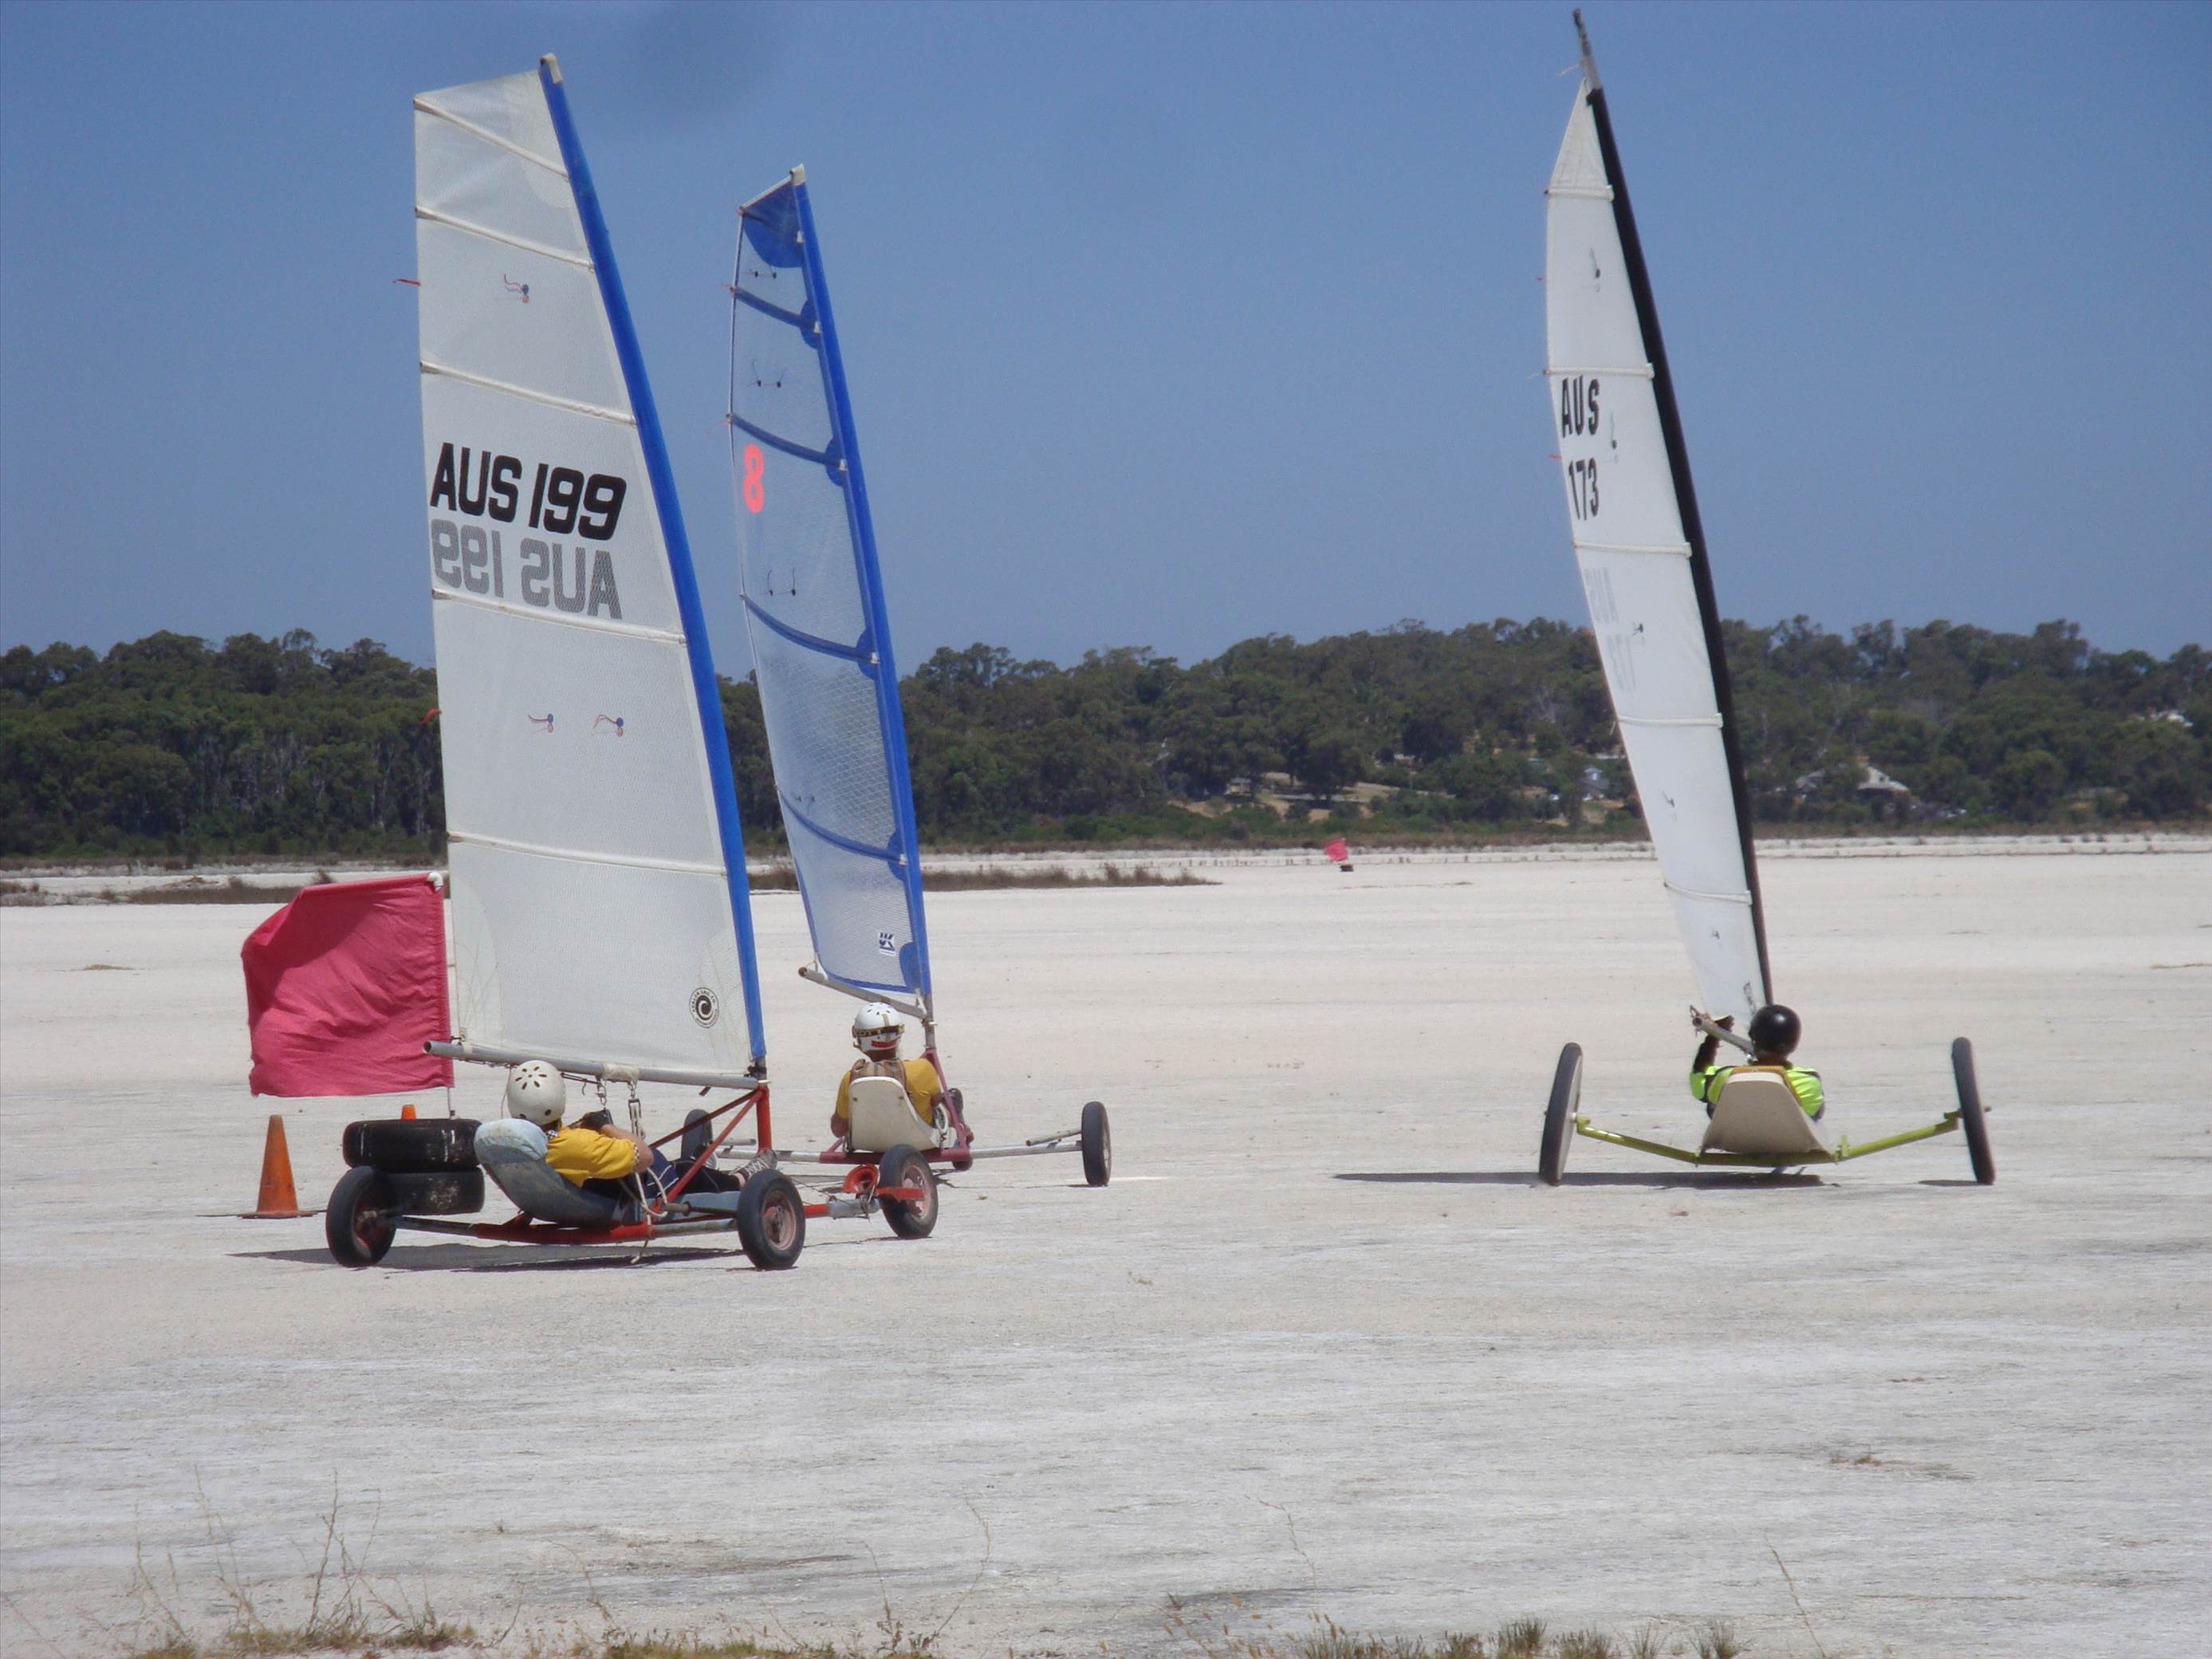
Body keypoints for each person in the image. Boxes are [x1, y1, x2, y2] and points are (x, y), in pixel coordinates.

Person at [502, 1060, 739, 1201]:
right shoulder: (577, 1145)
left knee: (690, 1163)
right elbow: (644, 1156)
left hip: (578, 1185)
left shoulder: (510, 1143)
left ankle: (701, 1159)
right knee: (691, 1171)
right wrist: (603, 1125)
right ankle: (742, 1178)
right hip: (655, 1185)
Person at [831, 1003, 943, 1144]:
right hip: (920, 1142)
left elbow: (838, 1129)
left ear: (860, 1038)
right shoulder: (923, 1069)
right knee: (951, 1097)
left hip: (868, 1144)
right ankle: (963, 1131)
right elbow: (936, 1102)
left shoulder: (852, 1078)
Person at [1690, 1004, 1824, 1121]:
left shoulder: (1727, 1077)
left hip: (1738, 1136)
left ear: (1753, 1038)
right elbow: (1814, 1114)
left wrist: (1714, 1036)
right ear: (1794, 1043)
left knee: (1713, 1103)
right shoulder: (1808, 1081)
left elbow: (1698, 1083)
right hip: (1789, 1137)